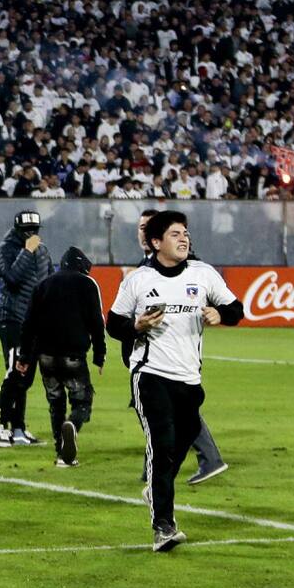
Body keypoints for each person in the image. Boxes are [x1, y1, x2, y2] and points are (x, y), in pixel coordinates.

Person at [106, 210, 244, 552]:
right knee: (162, 444)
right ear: (156, 243)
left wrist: (220, 314)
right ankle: (163, 528)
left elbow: (236, 309)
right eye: (175, 234)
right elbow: (113, 324)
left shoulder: (203, 274)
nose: (184, 239)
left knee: (177, 448)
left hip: (189, 379)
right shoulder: (138, 280)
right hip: (150, 375)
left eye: (185, 233)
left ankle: (156, 489)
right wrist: (136, 327)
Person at [135, 209, 228, 485]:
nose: (142, 232)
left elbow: (223, 303)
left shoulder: (190, 268)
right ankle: (156, 469)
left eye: (146, 228)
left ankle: (208, 459)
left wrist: (217, 312)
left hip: (176, 361)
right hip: (149, 358)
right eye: (140, 227)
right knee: (158, 413)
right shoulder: (146, 267)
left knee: (171, 413)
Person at [15, 247, 105, 467]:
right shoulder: (87, 284)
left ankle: (61, 454)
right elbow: (96, 322)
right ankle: (72, 425)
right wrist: (99, 354)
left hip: (45, 357)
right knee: (82, 402)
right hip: (73, 356)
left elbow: (28, 325)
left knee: (56, 404)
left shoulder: (42, 285)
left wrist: (24, 356)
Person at [0, 210, 54, 446]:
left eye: (35, 231)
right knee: (13, 375)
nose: (32, 235)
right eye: (28, 231)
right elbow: (12, 278)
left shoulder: (43, 251)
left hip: (34, 324)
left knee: (25, 378)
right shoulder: (5, 249)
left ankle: (18, 428)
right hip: (13, 320)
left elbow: (49, 282)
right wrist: (27, 251)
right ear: (17, 231)